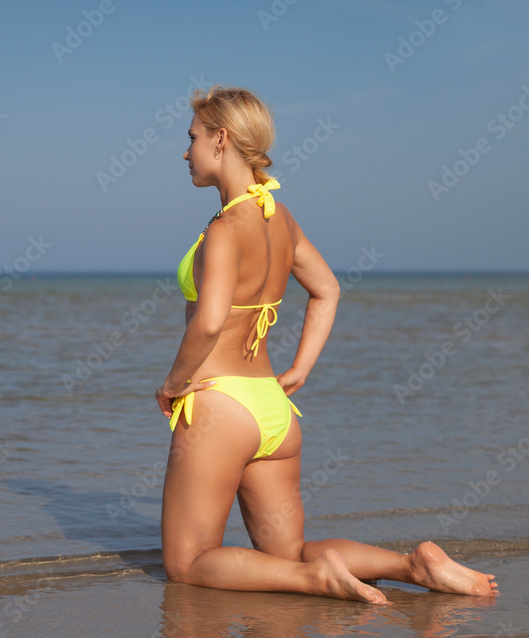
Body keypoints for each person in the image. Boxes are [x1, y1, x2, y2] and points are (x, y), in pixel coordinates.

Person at [155, 86, 498, 604]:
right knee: (289, 551)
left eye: (193, 139)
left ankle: (315, 580)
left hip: (221, 408)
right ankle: (414, 567)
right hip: (274, 407)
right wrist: (300, 369)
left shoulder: (226, 228)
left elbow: (208, 323)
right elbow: (327, 289)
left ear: (221, 139)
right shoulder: (280, 218)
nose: (186, 153)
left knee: (187, 564)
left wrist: (173, 386)